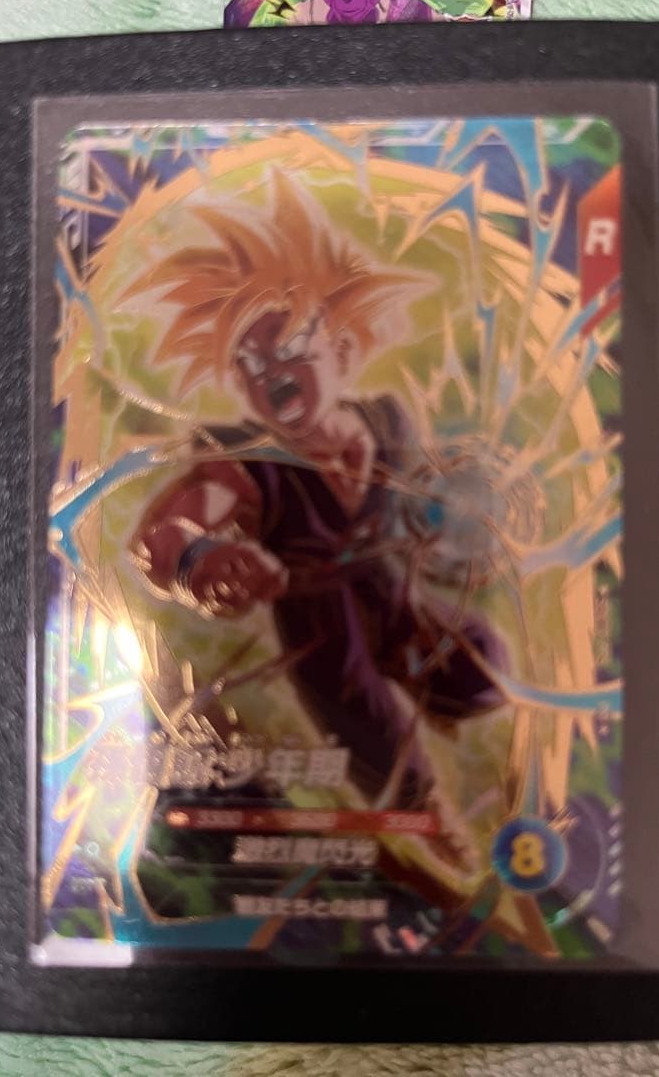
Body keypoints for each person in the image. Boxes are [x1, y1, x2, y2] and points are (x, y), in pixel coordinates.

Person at [125, 171, 505, 842]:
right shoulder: (246, 466)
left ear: (344, 350)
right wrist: (197, 559)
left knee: (479, 665)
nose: (270, 371)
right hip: (318, 621)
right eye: (249, 365)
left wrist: (450, 522)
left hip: (391, 591)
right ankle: (430, 831)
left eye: (289, 349)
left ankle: (473, 780)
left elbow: (423, 501)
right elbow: (161, 533)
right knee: (370, 728)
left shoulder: (386, 419)